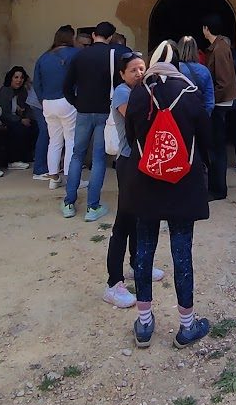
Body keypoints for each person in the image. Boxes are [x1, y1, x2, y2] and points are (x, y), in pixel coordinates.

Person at [123, 50, 212, 349]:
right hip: (182, 183)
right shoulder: (189, 92)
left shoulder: (139, 94)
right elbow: (206, 136)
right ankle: (187, 326)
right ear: (176, 64)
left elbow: (130, 135)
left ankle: (144, 324)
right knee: (182, 252)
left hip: (146, 182)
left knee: (144, 251)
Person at [103, 52, 165, 308]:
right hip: (129, 162)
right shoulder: (122, 92)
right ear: (122, 74)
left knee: (140, 217)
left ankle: (136, 264)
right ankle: (113, 284)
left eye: (142, 68)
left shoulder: (142, 90)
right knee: (124, 221)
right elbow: (138, 121)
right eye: (133, 70)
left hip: (142, 161)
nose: (139, 73)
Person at [63, 21, 121, 221]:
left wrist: (77, 102)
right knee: (98, 159)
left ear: (94, 34)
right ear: (110, 37)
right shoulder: (114, 56)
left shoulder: (80, 55)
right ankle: (92, 206)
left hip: (84, 110)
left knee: (77, 155)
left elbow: (66, 86)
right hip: (105, 111)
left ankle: (69, 203)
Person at [202, 15, 236, 194]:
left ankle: (218, 189)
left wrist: (209, 100)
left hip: (219, 103)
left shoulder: (219, 49)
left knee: (216, 148)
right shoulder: (219, 46)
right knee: (216, 147)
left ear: (206, 28)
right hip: (220, 101)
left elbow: (224, 82)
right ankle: (216, 187)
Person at [32, 25, 79, 188]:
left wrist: (42, 99)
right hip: (67, 100)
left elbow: (36, 83)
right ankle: (70, 178)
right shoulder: (75, 54)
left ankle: (53, 178)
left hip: (48, 102)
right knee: (71, 140)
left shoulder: (44, 57)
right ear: (71, 38)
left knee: (54, 141)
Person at [0, 66, 35, 168]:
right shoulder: (5, 91)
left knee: (35, 126)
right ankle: (14, 160)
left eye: (21, 78)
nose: (19, 80)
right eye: (16, 77)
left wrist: (27, 117)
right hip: (5, 120)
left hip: (18, 118)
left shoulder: (22, 91)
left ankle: (28, 156)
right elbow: (3, 113)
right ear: (11, 78)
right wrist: (20, 120)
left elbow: (27, 107)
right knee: (18, 129)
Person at [177, 36, 215, 117]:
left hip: (178, 115)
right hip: (198, 114)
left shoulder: (174, 69)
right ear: (195, 50)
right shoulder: (204, 70)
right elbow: (209, 101)